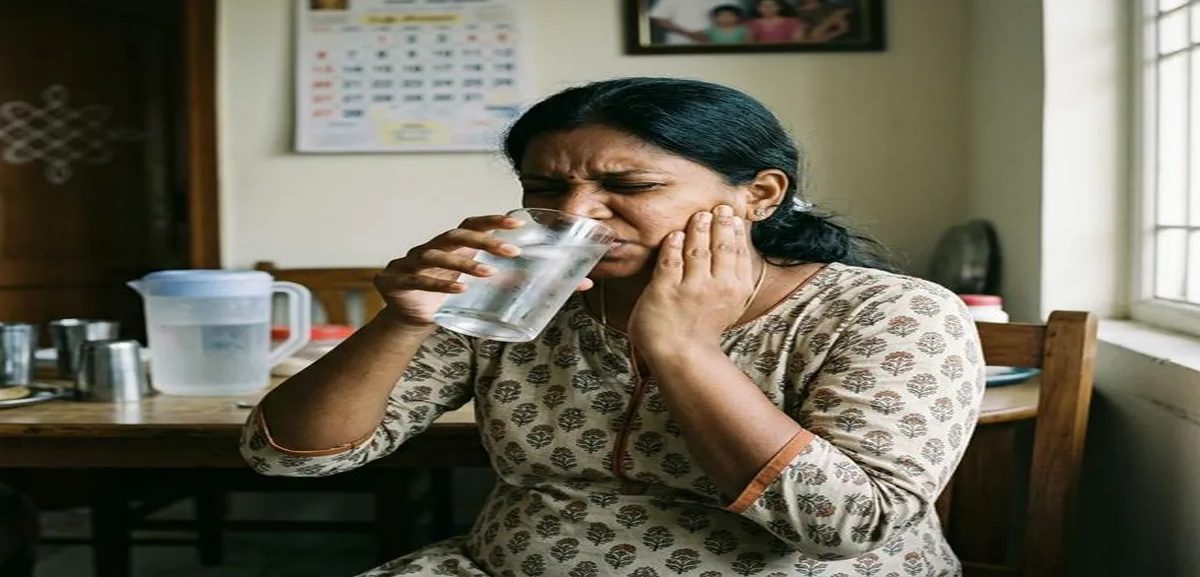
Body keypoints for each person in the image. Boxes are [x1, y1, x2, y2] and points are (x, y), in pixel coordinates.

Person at [241, 77, 986, 576]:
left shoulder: (889, 312)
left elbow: (847, 526)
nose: (575, 214)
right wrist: (398, 323)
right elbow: (292, 459)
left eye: (629, 186)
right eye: (545, 188)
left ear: (759, 194)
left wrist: (683, 347)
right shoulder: (524, 296)